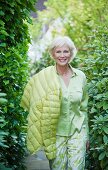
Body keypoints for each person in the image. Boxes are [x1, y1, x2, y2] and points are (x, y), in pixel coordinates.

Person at [20, 36, 89, 170]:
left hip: (78, 131)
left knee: (77, 168)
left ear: (71, 53)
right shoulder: (44, 77)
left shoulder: (80, 76)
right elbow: (35, 103)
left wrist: (86, 135)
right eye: (58, 52)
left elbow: (83, 108)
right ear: (52, 54)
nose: (62, 55)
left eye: (66, 51)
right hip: (55, 133)